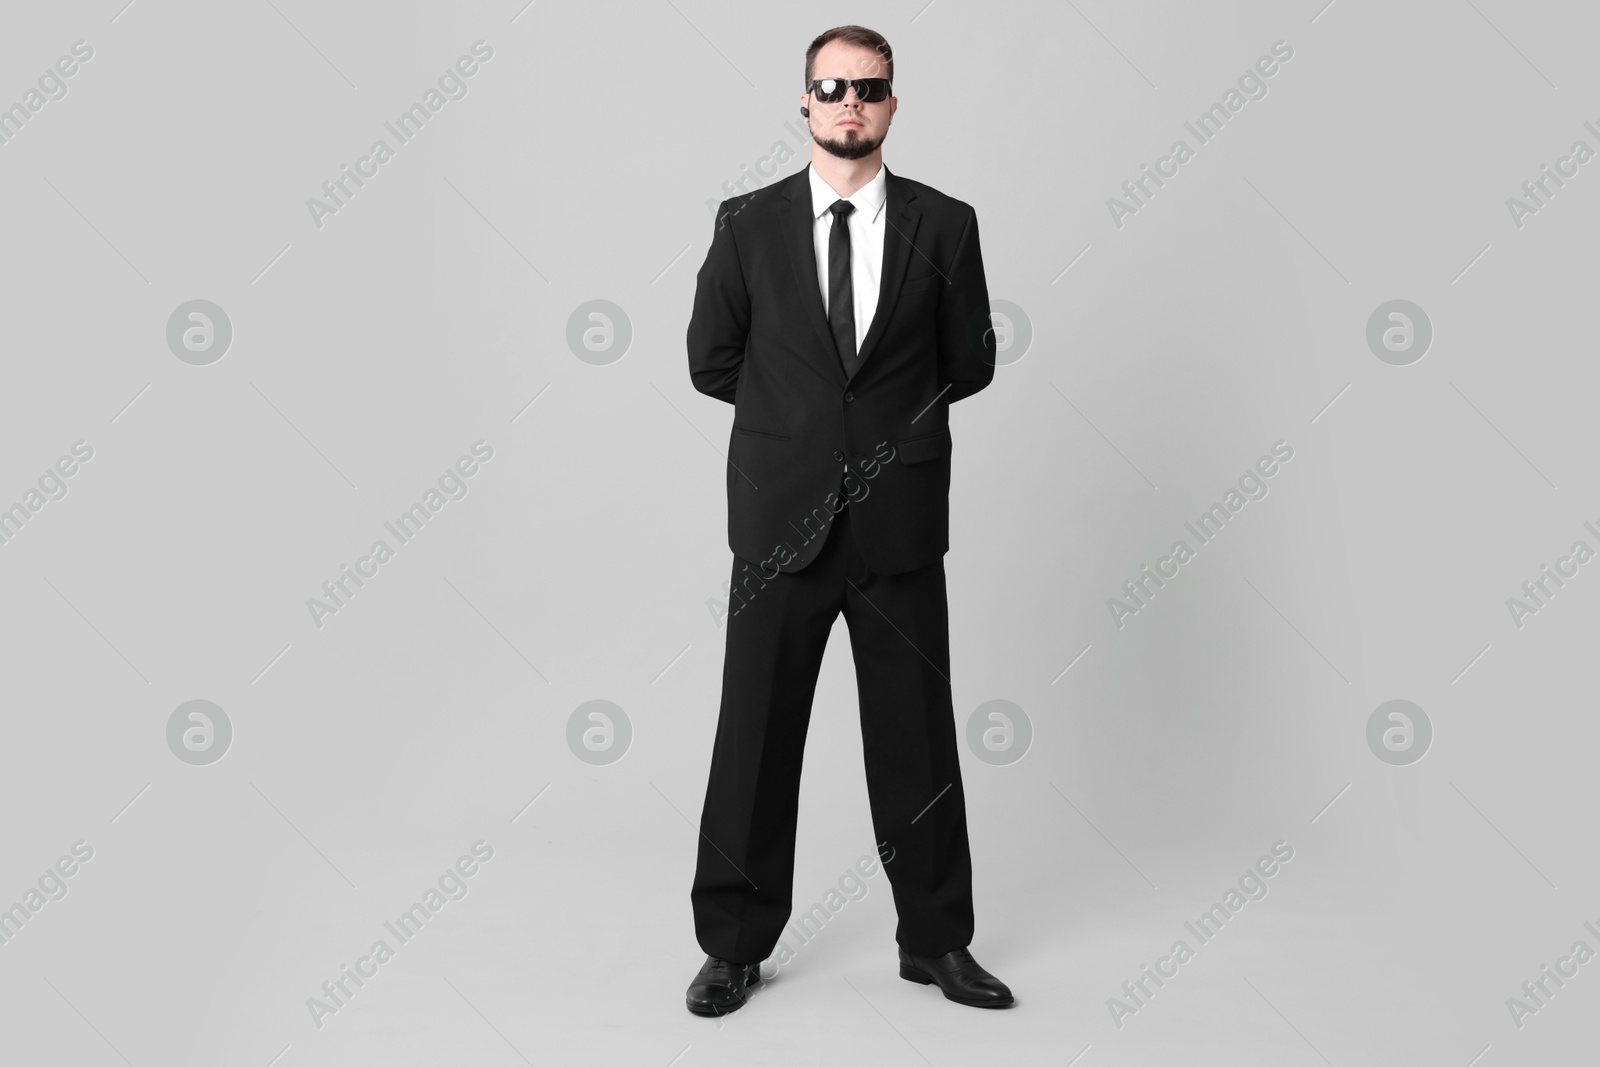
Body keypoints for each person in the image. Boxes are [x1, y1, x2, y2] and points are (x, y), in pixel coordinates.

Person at [684, 23, 1012, 1016]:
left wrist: (879, 427)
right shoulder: (746, 224)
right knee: (754, 737)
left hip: (898, 516)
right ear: (804, 103)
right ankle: (733, 945)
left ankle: (937, 941)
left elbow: (970, 361)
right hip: (780, 519)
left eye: (867, 88)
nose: (848, 104)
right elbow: (710, 359)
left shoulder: (944, 225)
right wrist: (800, 425)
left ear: (892, 105)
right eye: (831, 88)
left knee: (915, 737)